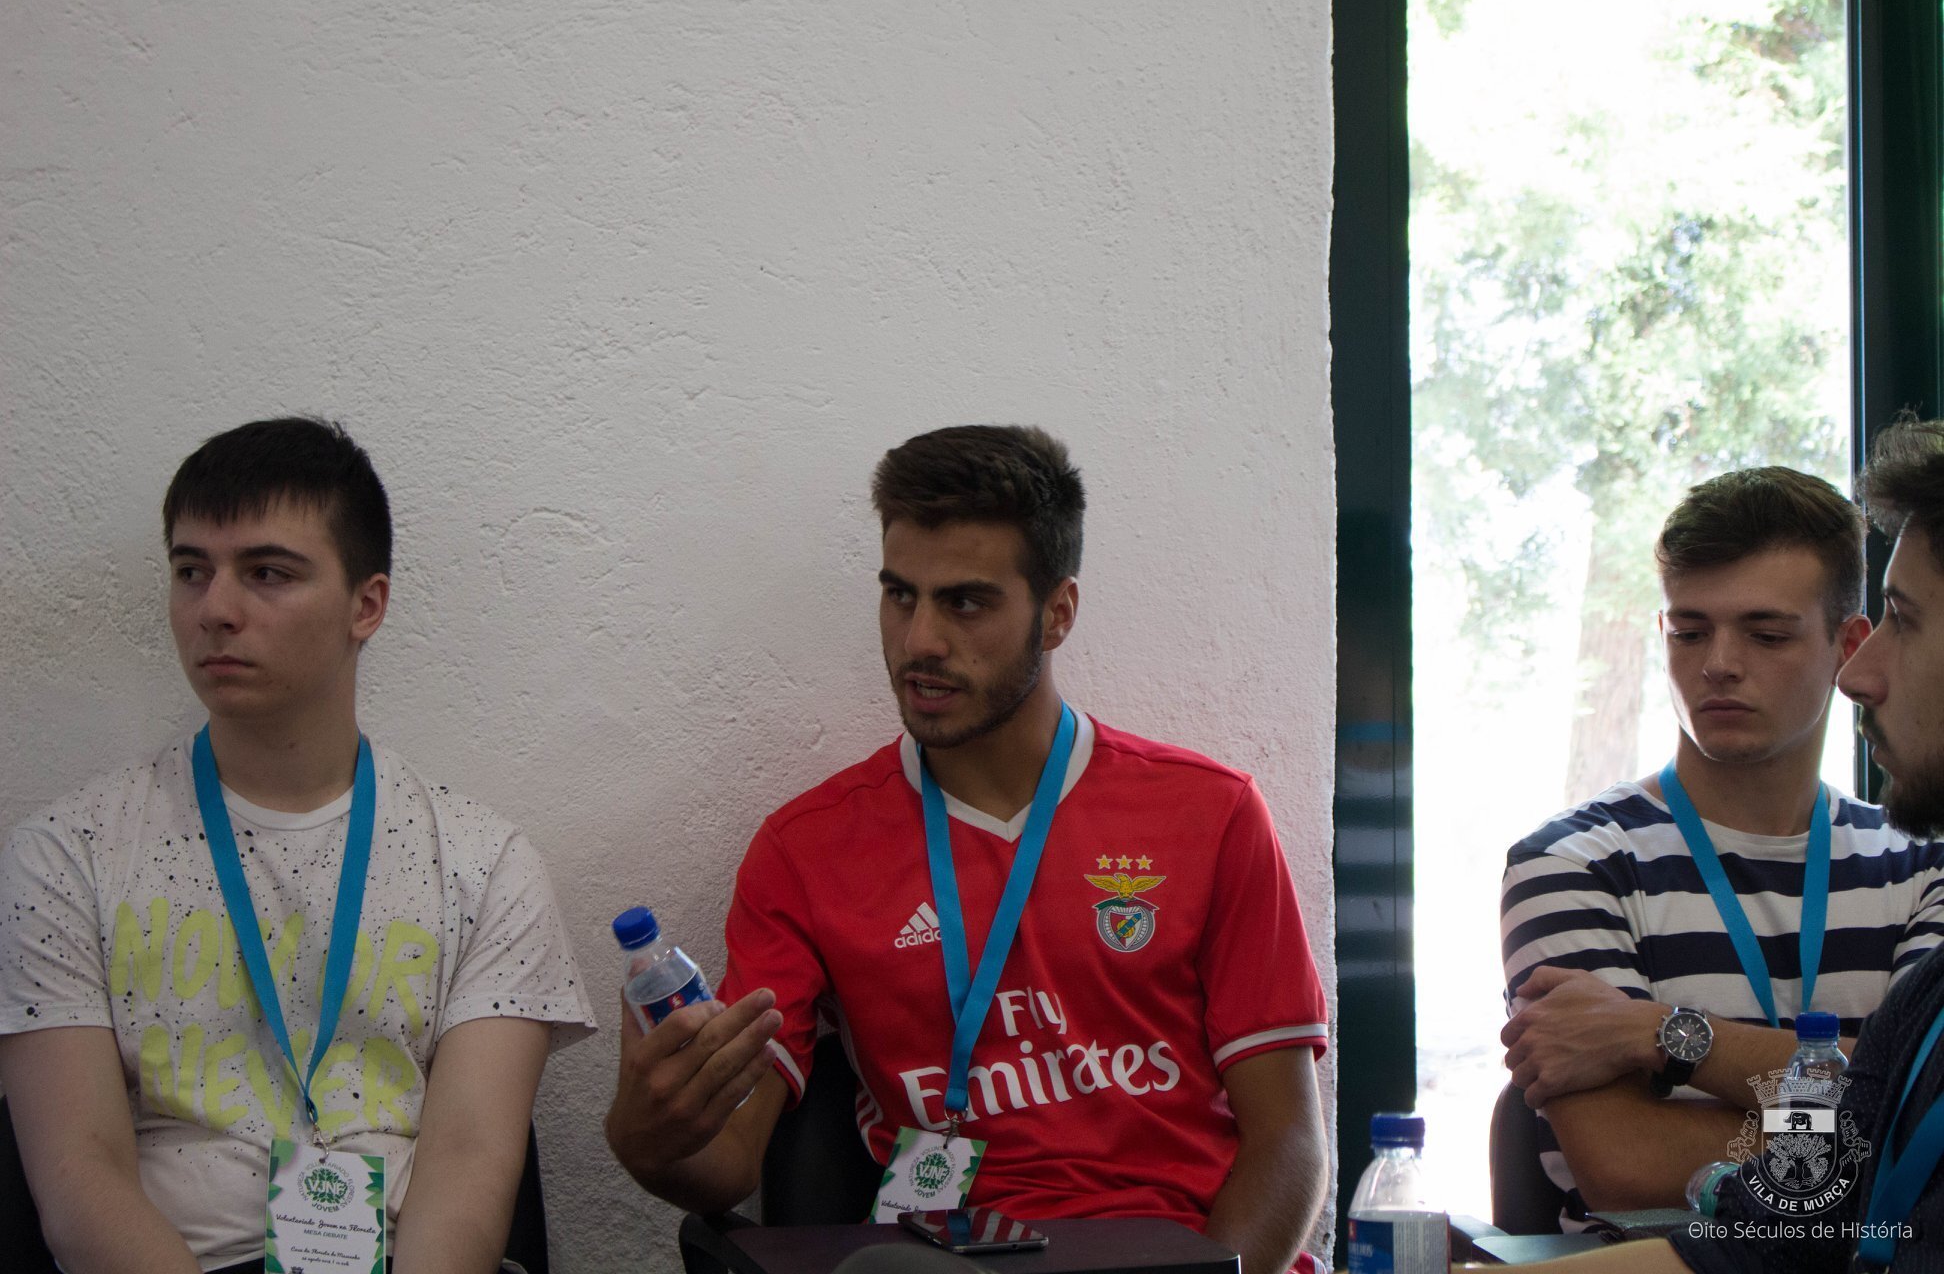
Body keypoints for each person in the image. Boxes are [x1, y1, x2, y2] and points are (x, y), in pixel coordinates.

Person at [605, 425, 1330, 1274]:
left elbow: (1289, 1143)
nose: (919, 641)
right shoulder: (805, 851)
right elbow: (730, 1162)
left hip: (1180, 1258)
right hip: (938, 1263)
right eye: (900, 595)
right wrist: (647, 1139)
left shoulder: (1210, 815)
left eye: (965, 603)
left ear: (1057, 613)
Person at [0, 418, 595, 1274]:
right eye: (191, 571)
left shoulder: (483, 864)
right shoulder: (66, 856)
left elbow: (470, 1161)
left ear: (366, 605)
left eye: (267, 573)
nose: (215, 610)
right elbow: (79, 1180)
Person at [1495, 420, 1944, 1274]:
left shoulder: (1923, 860)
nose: (1720, 665)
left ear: (1848, 647)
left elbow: (1916, 1118)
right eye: (1690, 631)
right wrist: (1854, 1115)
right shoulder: (1573, 864)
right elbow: (1627, 1165)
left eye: (1766, 634)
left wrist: (1664, 1035)